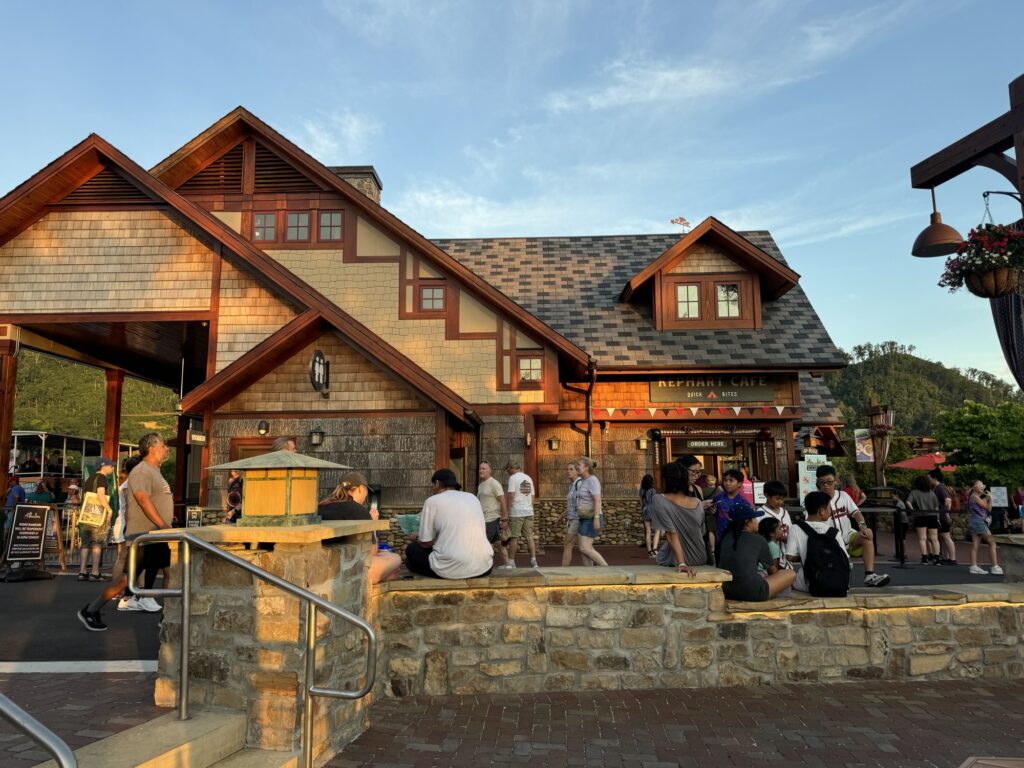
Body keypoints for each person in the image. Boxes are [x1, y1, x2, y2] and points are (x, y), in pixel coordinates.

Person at [78, 434, 171, 630]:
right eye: (163, 445)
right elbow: (142, 499)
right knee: (127, 579)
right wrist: (163, 525)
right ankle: (91, 610)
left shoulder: (155, 471)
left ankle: (169, 618)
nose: (166, 449)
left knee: (171, 573)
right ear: (152, 448)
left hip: (157, 535)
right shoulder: (142, 471)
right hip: (145, 535)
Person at [404, 469, 493, 579]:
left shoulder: (432, 501)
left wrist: (416, 538)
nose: (432, 489)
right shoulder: (473, 498)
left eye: (433, 485)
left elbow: (426, 543)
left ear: (437, 483)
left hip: (452, 568)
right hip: (485, 566)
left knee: (411, 550)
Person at [319, 471, 401, 583]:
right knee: (395, 558)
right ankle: (382, 576)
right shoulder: (359, 511)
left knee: (383, 555)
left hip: (322, 565)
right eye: (366, 490)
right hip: (347, 571)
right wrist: (373, 524)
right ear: (361, 489)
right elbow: (372, 554)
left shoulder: (322, 506)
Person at [815, 464, 890, 587]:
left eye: (829, 481)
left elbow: (856, 512)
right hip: (829, 542)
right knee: (840, 582)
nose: (826, 485)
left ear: (836, 481)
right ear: (817, 483)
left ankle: (869, 575)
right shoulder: (814, 499)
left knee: (867, 535)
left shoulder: (843, 495)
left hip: (848, 536)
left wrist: (862, 526)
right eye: (822, 482)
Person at [719, 505, 796, 601]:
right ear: (747, 522)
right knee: (790, 573)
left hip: (727, 591)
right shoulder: (758, 539)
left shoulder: (725, 538)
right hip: (752, 593)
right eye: (755, 518)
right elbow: (772, 571)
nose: (757, 521)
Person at [786, 491, 851, 595]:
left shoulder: (795, 528)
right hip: (836, 584)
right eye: (829, 508)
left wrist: (806, 556)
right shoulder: (834, 532)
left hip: (807, 584)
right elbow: (845, 558)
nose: (831, 511)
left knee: (788, 577)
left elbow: (789, 556)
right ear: (821, 511)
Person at [649, 461, 701, 576]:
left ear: (665, 480)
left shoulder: (658, 499)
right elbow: (701, 532)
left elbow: (671, 534)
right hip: (699, 556)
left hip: (675, 559)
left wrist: (681, 563)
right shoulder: (698, 502)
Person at [77, 457, 116, 582]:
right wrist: (109, 509)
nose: (113, 468)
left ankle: (82, 572)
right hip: (98, 516)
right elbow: (100, 495)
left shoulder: (90, 478)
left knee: (85, 543)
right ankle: (95, 572)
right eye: (111, 466)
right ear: (104, 466)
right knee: (97, 544)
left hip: (87, 515)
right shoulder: (102, 478)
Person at [712, 469, 756, 556]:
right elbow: (713, 515)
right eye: (725, 480)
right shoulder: (718, 499)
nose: (727, 483)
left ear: (740, 483)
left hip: (738, 540)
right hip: (721, 539)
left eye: (731, 480)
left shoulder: (743, 502)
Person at [476, 462, 511, 569]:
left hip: (492, 518)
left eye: (484, 469)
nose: (481, 470)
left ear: (490, 470)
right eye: (480, 468)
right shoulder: (481, 485)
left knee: (484, 543)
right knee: (499, 543)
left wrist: (504, 519)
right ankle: (508, 565)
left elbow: (502, 501)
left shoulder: (494, 483)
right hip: (484, 519)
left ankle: (482, 566)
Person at [575, 456, 608, 567]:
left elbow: (597, 500)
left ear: (586, 468)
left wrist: (596, 518)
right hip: (583, 517)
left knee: (585, 548)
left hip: (592, 517)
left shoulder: (593, 480)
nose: (577, 467)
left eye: (579, 465)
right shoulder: (583, 481)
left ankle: (607, 569)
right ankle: (589, 573)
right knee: (583, 548)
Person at [556, 461, 591, 567]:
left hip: (578, 518)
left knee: (568, 543)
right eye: (567, 469)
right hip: (572, 518)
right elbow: (571, 506)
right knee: (584, 547)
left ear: (577, 471)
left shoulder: (580, 484)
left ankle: (564, 570)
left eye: (571, 469)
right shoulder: (571, 485)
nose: (568, 471)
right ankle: (591, 569)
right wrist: (561, 516)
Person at [504, 460, 538, 568]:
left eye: (508, 470)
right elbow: (532, 495)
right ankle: (533, 561)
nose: (507, 472)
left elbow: (511, 495)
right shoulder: (528, 478)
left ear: (512, 468)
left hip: (516, 512)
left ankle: (511, 562)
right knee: (529, 536)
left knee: (514, 537)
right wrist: (530, 507)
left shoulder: (512, 478)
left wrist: (506, 511)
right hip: (529, 511)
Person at [967, 480, 1003, 576]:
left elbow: (986, 506)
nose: (982, 486)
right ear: (974, 487)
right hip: (979, 523)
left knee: (975, 545)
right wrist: (990, 499)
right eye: (979, 485)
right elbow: (988, 508)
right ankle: (995, 566)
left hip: (976, 522)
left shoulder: (976, 496)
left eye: (982, 485)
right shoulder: (974, 497)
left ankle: (973, 566)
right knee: (992, 542)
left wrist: (986, 497)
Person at [906, 474, 941, 565]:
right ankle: (936, 558)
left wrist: (913, 510)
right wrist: (937, 518)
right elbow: (936, 507)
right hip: (932, 516)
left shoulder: (914, 492)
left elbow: (908, 502)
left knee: (922, 538)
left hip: (920, 516)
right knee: (934, 538)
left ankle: (924, 558)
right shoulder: (932, 493)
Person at [929, 469, 957, 565]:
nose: (928, 480)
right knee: (943, 538)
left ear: (934, 478)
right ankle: (947, 557)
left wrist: (946, 514)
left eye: (929, 478)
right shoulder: (936, 488)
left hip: (942, 516)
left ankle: (952, 559)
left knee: (946, 537)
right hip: (940, 516)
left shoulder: (940, 488)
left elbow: (948, 500)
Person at [757, 480, 792, 548]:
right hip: (770, 553)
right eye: (777, 499)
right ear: (767, 495)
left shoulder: (785, 512)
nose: (780, 502)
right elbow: (758, 537)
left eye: (782, 499)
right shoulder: (760, 513)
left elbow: (790, 533)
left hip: (786, 553)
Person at [639, 474, 656, 557]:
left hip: (645, 510)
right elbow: (655, 502)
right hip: (652, 510)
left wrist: (643, 509)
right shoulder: (653, 490)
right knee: (657, 530)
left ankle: (649, 551)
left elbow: (641, 502)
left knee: (648, 532)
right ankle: (654, 549)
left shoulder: (641, 490)